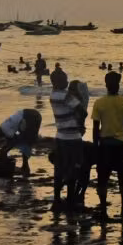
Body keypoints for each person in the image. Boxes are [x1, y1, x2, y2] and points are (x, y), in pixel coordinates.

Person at [92, 71, 123, 218]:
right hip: (121, 145)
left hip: (105, 145)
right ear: (118, 85)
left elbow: (95, 128)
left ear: (106, 85)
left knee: (102, 179)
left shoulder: (99, 103)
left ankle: (103, 209)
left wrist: (95, 146)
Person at [49, 73, 89, 212]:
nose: (67, 82)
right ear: (58, 81)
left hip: (60, 137)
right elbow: (83, 112)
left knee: (59, 169)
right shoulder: (66, 96)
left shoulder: (53, 95)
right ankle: (70, 200)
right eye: (64, 79)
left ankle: (56, 200)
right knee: (74, 167)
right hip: (73, 138)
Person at [0, 108, 42, 177]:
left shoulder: (6, 130)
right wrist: (6, 148)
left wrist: (6, 150)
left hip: (30, 117)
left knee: (25, 141)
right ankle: (25, 166)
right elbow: (14, 136)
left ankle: (25, 168)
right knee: (25, 140)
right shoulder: (4, 126)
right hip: (33, 115)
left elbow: (15, 138)